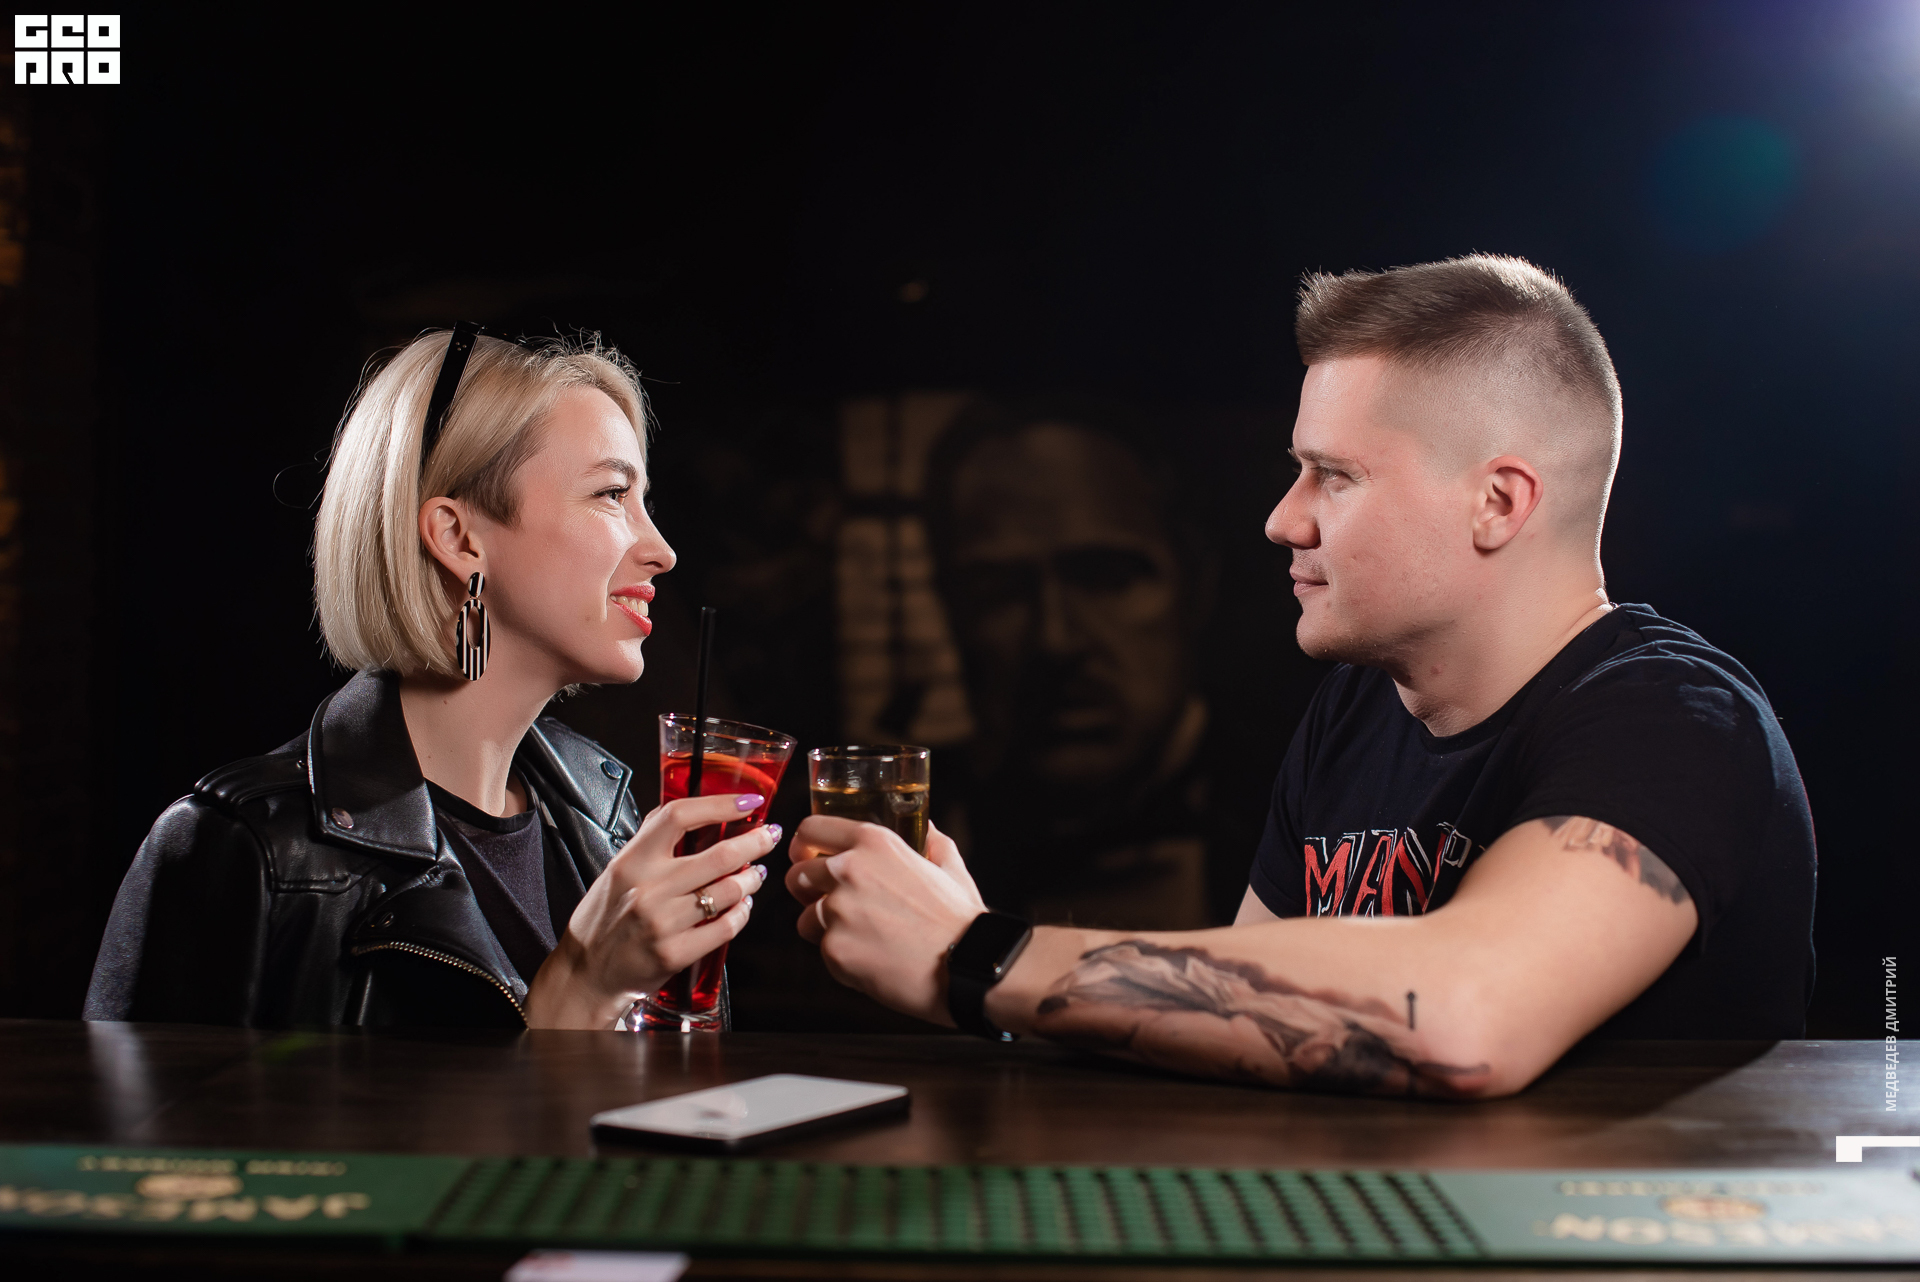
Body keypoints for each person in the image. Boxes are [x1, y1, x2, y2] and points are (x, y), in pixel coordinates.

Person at [783, 255, 1817, 1098]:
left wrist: (976, 958)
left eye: (1334, 475)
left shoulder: (1679, 719)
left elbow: (1467, 1021)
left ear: (1498, 503)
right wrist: (968, 962)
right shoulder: (1357, 712)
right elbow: (1233, 1024)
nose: (1285, 519)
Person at [85, 328, 778, 1029]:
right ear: (457, 537)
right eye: (611, 494)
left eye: (644, 501)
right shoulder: (242, 852)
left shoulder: (610, 821)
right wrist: (579, 988)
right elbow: (154, 1111)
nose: (661, 550)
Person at [922, 400, 1216, 928]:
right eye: (998, 591)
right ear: (949, 607)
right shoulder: (913, 823)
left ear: (1195, 585)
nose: (1055, 640)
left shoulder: (1318, 806)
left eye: (1106, 577)